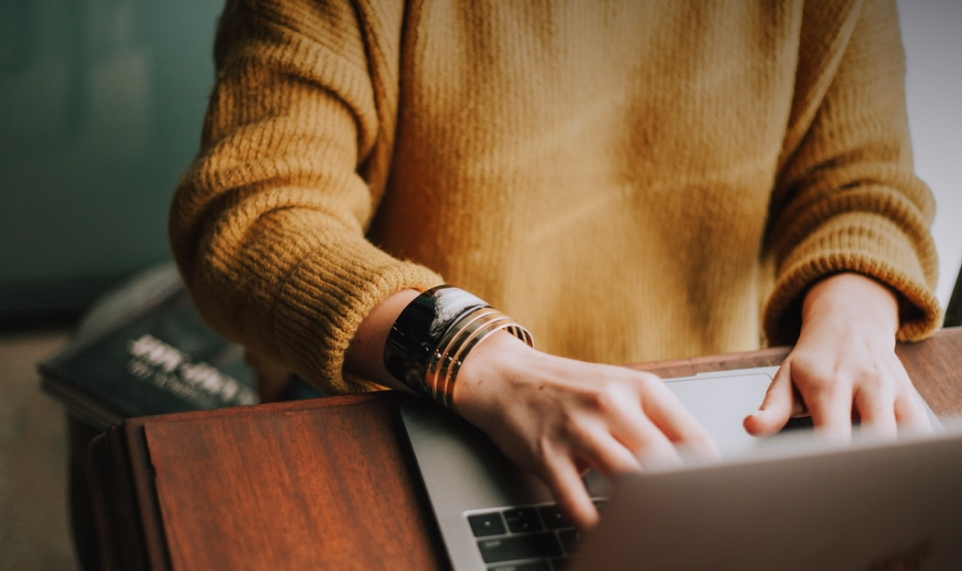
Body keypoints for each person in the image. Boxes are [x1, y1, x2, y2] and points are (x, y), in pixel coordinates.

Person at [169, 0, 941, 532]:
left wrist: (856, 312)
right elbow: (252, 213)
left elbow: (862, 185)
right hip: (412, 405)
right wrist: (477, 358)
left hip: (701, 430)